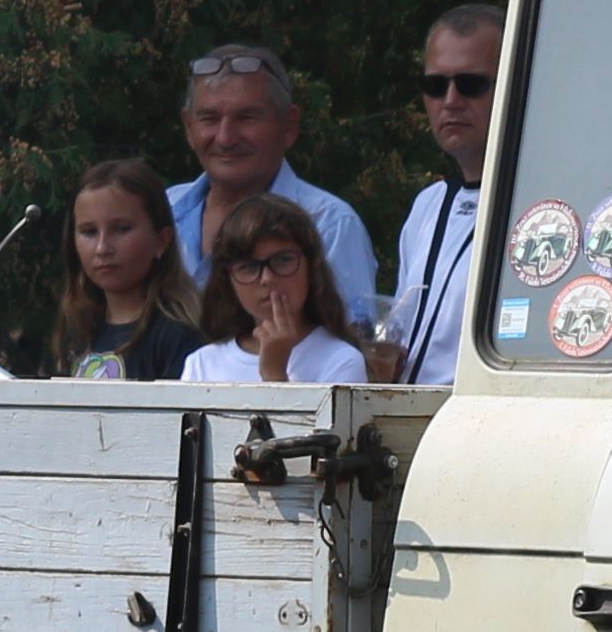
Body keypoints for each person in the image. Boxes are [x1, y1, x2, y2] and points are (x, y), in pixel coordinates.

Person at [171, 43, 384, 320]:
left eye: (246, 118)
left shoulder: (329, 224)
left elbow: (350, 339)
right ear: (188, 127)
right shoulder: (160, 212)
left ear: (289, 125)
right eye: (209, 119)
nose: (225, 137)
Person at [374, 3, 495, 386]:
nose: (451, 100)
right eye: (435, 86)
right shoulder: (427, 205)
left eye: (471, 85)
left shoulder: (545, 204)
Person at [177, 188, 372, 387]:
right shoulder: (202, 364)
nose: (267, 278)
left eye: (283, 260)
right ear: (228, 279)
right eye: (248, 267)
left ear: (311, 268)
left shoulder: (341, 360)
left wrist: (274, 373)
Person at [52, 158, 198, 381]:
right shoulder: (78, 327)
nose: (102, 248)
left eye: (121, 229)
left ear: (161, 240)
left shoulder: (180, 334)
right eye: (89, 232)